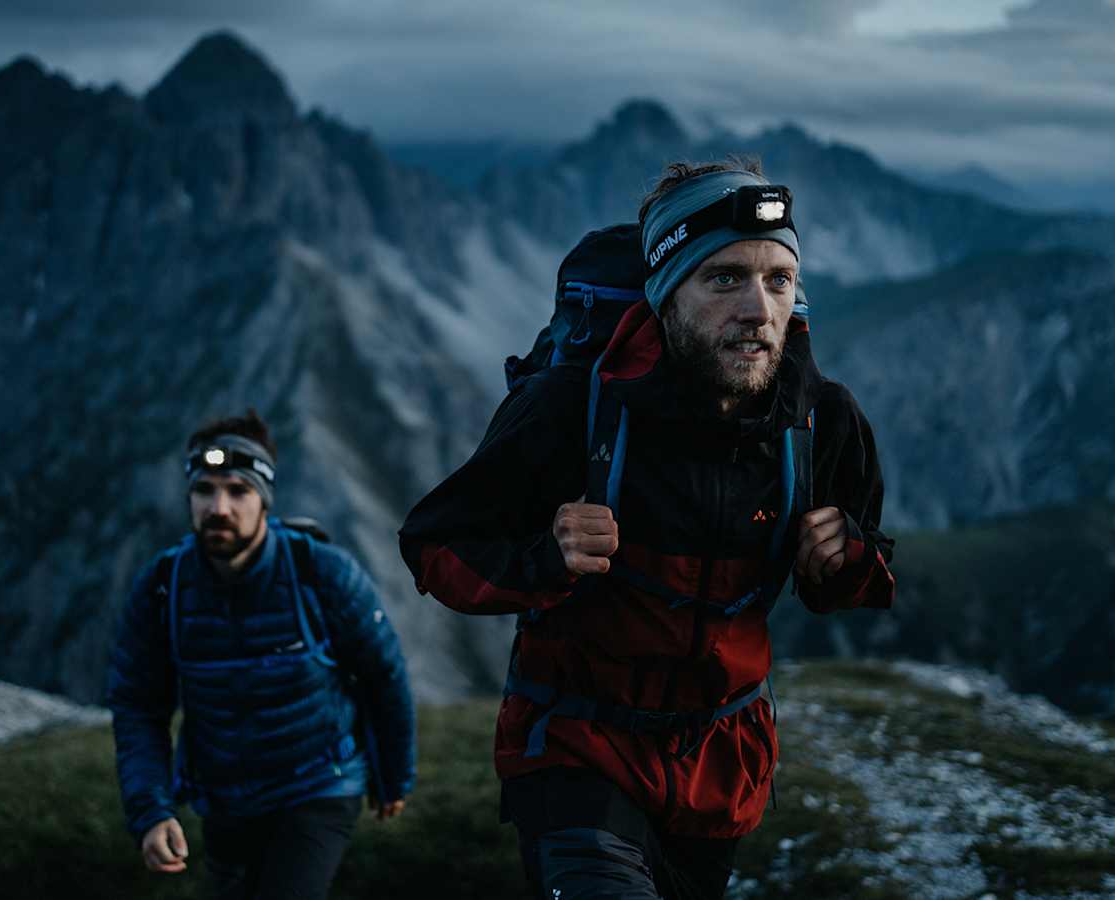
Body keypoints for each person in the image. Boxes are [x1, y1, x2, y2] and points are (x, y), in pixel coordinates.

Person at [399, 160, 895, 899]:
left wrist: (844, 560)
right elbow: (434, 546)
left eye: (778, 280)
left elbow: (865, 575)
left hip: (720, 769)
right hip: (577, 751)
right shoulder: (572, 407)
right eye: (724, 278)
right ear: (666, 293)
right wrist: (546, 558)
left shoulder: (820, 419)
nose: (759, 310)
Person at [108, 408, 415, 900]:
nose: (219, 507)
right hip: (224, 798)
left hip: (320, 785)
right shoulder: (163, 588)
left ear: (264, 499)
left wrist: (394, 774)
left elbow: (384, 675)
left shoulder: (323, 572)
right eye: (204, 490)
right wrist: (152, 811)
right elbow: (138, 706)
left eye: (238, 490)